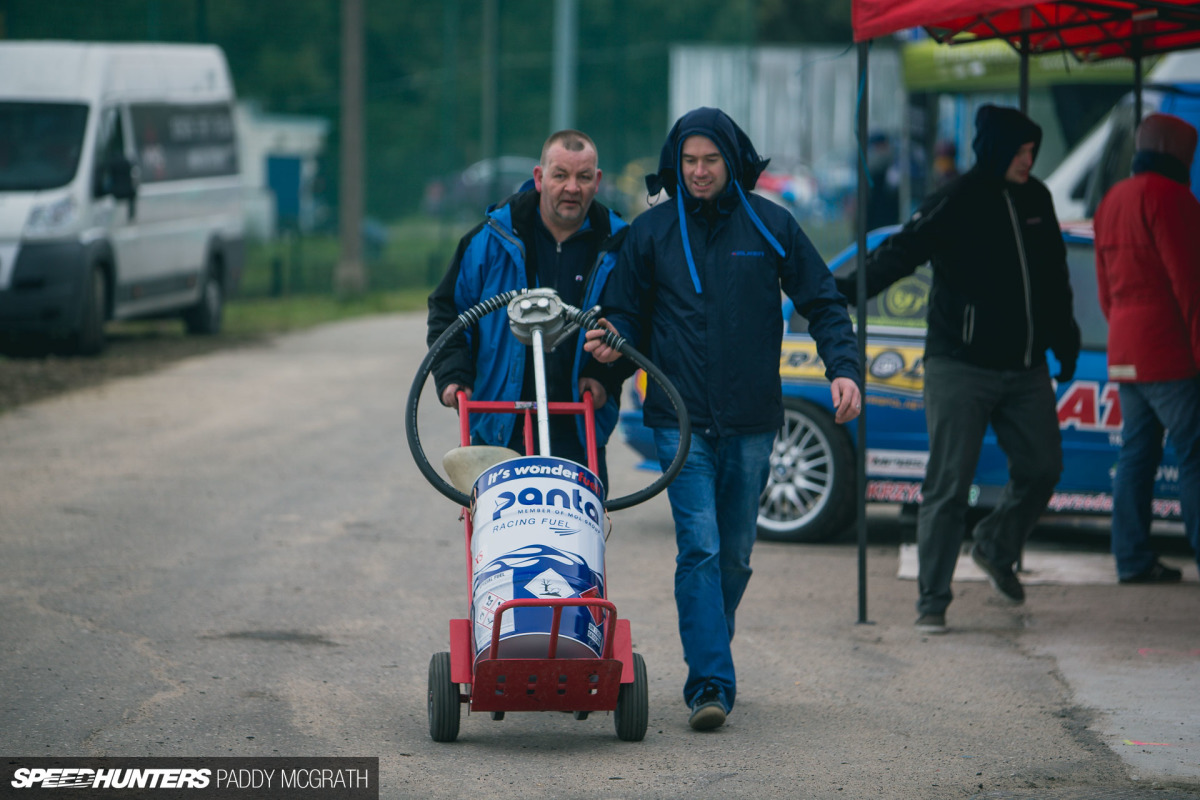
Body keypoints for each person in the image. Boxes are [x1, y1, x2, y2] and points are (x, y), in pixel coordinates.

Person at [586, 107, 862, 731]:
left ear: (733, 162)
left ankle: (713, 643)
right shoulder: (651, 233)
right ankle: (709, 683)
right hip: (676, 421)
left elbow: (824, 302)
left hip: (753, 420)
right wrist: (610, 344)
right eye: (689, 161)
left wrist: (843, 368)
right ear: (675, 164)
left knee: (734, 556)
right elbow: (626, 315)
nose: (699, 172)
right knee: (701, 549)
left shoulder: (772, 226)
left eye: (710, 160)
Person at [835, 104, 1081, 635]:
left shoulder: (1037, 198)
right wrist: (839, 295)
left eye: (1033, 152)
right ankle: (933, 600)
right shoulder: (956, 198)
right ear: (995, 151)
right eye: (1020, 152)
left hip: (1025, 367)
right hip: (959, 365)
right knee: (950, 485)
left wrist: (1066, 337)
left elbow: (1055, 274)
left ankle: (996, 544)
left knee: (1043, 468)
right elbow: (899, 254)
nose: (1028, 161)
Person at [426, 130, 627, 487]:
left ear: (597, 182)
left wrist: (604, 374)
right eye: (560, 175)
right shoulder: (489, 240)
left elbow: (634, 322)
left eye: (583, 177)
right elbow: (447, 311)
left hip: (578, 427)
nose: (571, 188)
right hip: (499, 427)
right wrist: (453, 376)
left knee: (577, 537)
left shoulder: (620, 247)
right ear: (539, 178)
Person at [1093, 112, 1200, 584]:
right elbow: (1190, 283)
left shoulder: (1112, 199)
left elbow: (1103, 288)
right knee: (1195, 452)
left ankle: (1132, 558)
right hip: (1169, 350)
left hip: (1125, 349)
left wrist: (1122, 332)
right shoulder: (1173, 198)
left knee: (1137, 455)